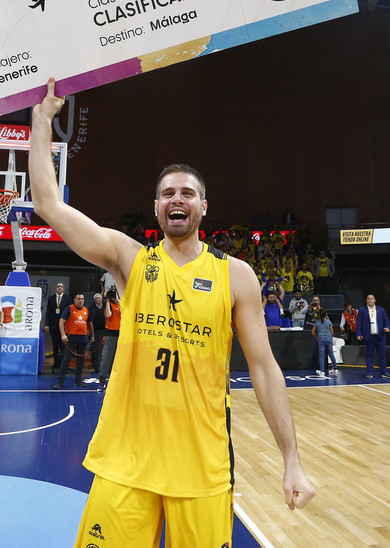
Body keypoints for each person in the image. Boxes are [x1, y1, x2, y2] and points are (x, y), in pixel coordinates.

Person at [29, 79, 313, 545]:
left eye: (186, 192)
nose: (176, 199)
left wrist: (292, 460)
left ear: (203, 206)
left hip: (201, 466)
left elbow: (264, 369)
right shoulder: (130, 260)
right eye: (167, 193)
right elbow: (48, 205)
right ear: (157, 207)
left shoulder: (236, 275)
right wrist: (42, 123)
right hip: (126, 460)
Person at [54, 292, 94, 390]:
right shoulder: (69, 309)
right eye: (79, 299)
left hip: (83, 339)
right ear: (75, 300)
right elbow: (61, 322)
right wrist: (63, 335)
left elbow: (89, 323)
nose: (81, 301)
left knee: (81, 361)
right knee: (66, 360)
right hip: (71, 339)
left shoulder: (86, 310)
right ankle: (60, 382)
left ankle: (78, 380)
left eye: (82, 299)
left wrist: (92, 335)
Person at [356, 294, 390, 379]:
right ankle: (369, 372)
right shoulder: (362, 310)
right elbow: (359, 323)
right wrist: (358, 334)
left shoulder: (381, 310)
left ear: (375, 300)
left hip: (380, 336)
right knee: (369, 355)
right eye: (368, 298)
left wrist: (387, 327)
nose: (370, 300)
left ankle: (384, 372)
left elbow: (386, 320)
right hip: (369, 336)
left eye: (371, 298)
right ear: (366, 300)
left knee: (382, 354)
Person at [43, 282, 71, 372]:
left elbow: (69, 312)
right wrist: (47, 324)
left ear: (63, 288)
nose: (59, 288)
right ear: (56, 288)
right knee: (55, 345)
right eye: (58, 286)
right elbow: (48, 312)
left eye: (61, 286)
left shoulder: (67, 298)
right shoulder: (51, 298)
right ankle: (56, 363)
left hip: (64, 325)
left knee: (63, 345)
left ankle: (62, 364)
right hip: (53, 325)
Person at [98, 286, 122, 387]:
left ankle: (119, 380)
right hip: (110, 334)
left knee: (121, 358)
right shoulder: (108, 304)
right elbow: (108, 315)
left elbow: (126, 311)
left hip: (122, 334)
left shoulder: (123, 303)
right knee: (106, 357)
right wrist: (107, 301)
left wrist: (118, 300)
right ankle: (102, 380)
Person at [310, 307, 336, 375]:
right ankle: (335, 369)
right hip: (329, 339)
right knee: (331, 353)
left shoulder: (317, 322)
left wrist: (317, 337)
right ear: (326, 314)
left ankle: (322, 371)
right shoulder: (329, 322)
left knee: (322, 355)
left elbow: (312, 332)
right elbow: (332, 332)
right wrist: (329, 337)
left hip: (321, 339)